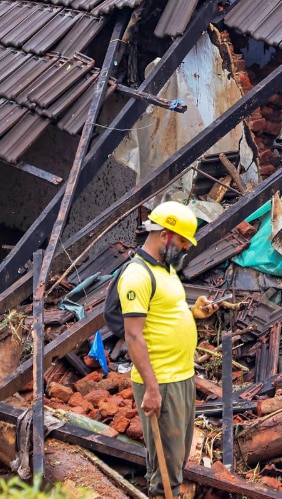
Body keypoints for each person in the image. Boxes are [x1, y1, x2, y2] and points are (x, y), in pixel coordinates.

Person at [120, 201, 222, 498]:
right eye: (181, 241)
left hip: (181, 376)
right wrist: (151, 389)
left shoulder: (165, 271)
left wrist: (194, 313)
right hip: (162, 382)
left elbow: (162, 315)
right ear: (165, 234)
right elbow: (134, 336)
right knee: (165, 463)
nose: (185, 249)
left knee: (175, 454)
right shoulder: (137, 276)